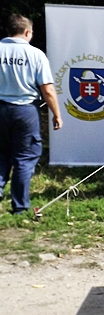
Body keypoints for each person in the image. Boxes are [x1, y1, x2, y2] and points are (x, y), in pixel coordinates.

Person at [0, 14, 62, 214]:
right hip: (25, 110)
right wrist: (56, 114)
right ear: (27, 32)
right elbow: (48, 89)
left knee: (1, 154)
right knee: (24, 158)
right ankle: (19, 206)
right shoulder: (35, 54)